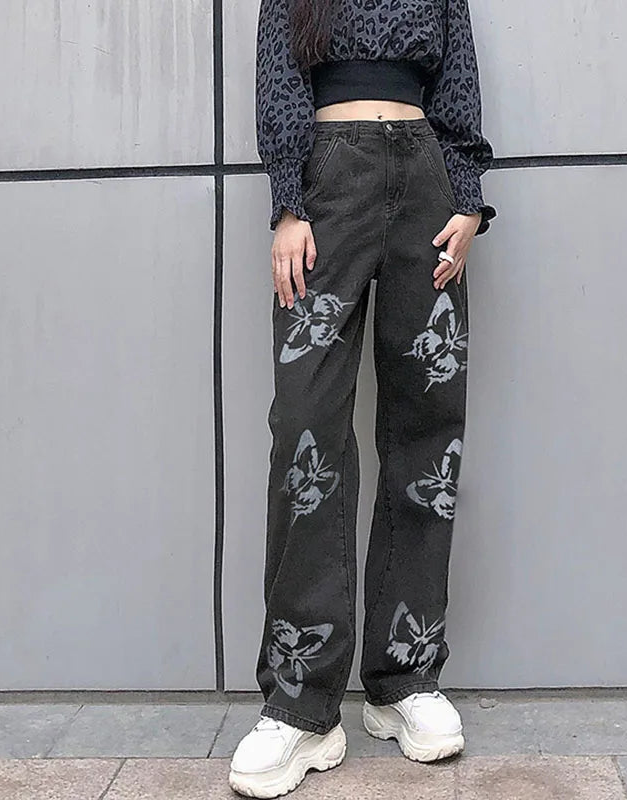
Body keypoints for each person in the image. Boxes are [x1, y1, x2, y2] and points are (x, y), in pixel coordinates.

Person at [229, 0, 497, 796]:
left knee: (427, 430)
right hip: (328, 180)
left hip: (425, 184)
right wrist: (288, 203)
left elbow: (458, 80)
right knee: (306, 433)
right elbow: (279, 77)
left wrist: (467, 199)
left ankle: (404, 679)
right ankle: (302, 705)